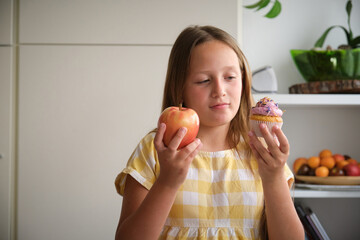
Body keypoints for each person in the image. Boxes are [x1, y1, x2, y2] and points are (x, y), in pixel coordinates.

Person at [114, 25, 304, 240]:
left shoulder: (262, 151)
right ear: (180, 88)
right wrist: (167, 182)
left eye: (230, 77)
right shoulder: (157, 149)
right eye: (204, 80)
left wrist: (273, 178)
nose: (219, 91)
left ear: (243, 81)